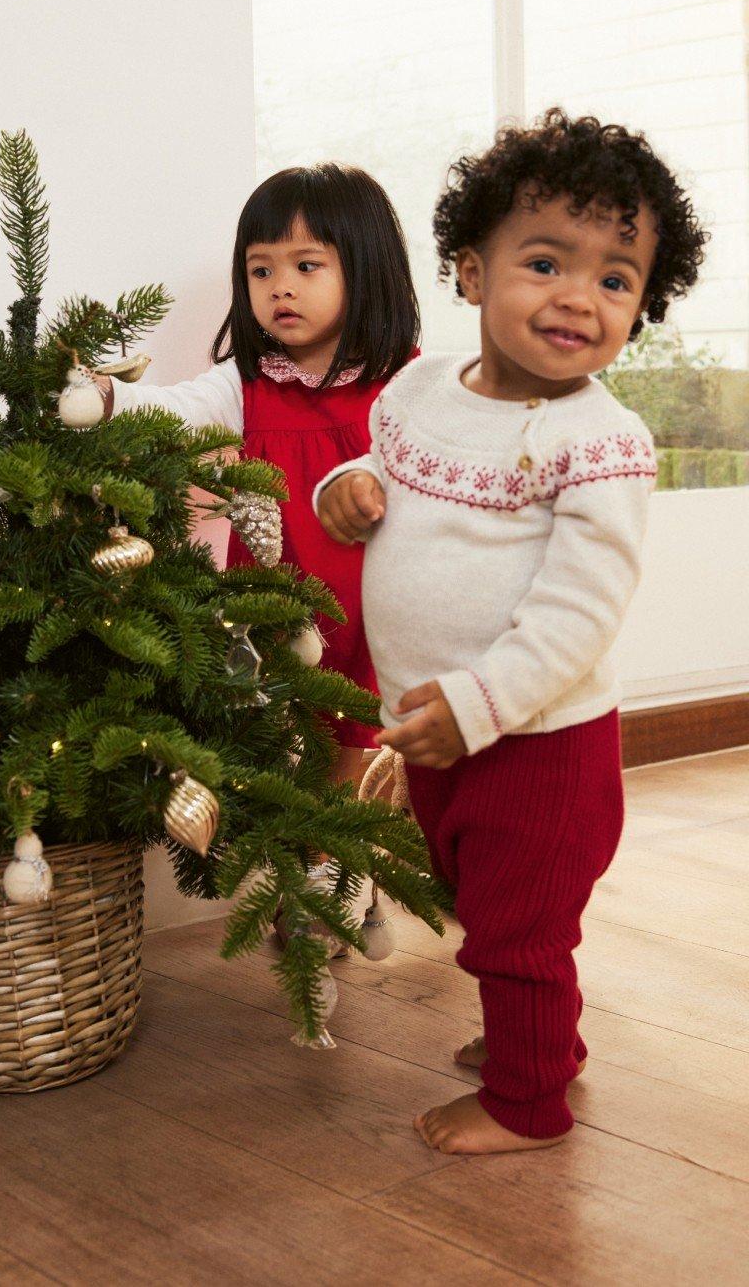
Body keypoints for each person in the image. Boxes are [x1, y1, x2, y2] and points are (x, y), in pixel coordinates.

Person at [314, 108, 708, 1154]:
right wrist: (343, 490)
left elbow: (578, 610)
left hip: (537, 744)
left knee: (517, 932)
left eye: (616, 278)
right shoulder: (419, 390)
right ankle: (538, 1043)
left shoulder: (601, 441)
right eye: (544, 261)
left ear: (642, 305)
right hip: (436, 727)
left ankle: (527, 1103)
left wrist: (480, 707)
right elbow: (376, 478)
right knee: (476, 904)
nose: (580, 296)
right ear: (470, 273)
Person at [91, 162, 420, 792]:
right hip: (273, 606)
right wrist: (106, 398)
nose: (280, 288)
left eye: (306, 266)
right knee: (270, 756)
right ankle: (297, 870)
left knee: (354, 756)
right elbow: (177, 411)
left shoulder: (408, 384)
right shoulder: (247, 382)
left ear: (366, 266)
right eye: (261, 270)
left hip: (375, 606)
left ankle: (342, 871)